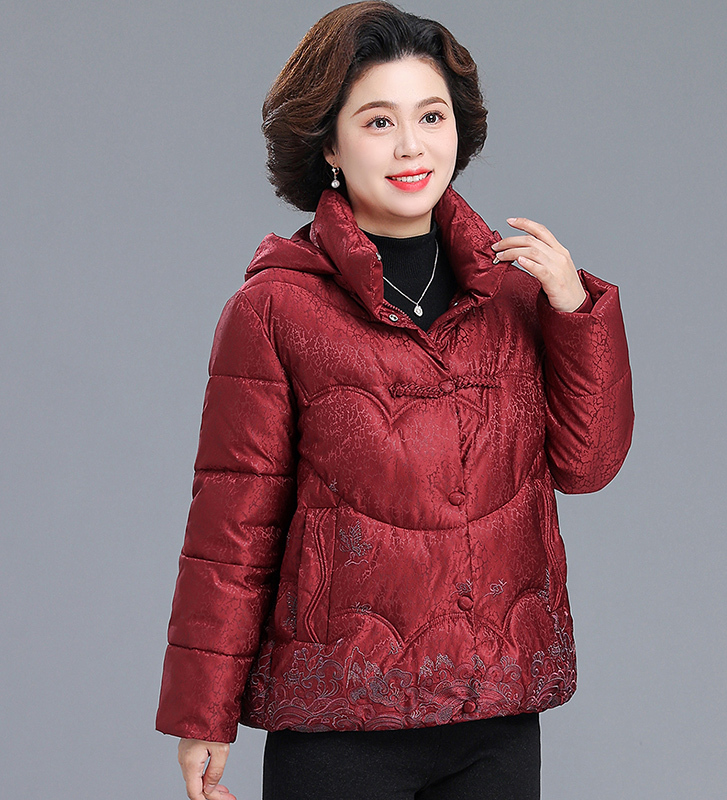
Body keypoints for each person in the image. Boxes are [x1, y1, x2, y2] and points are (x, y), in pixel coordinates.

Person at [156, 2, 634, 798]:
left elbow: (589, 466)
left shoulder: (518, 294)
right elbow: (233, 528)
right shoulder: (273, 311)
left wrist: (575, 312)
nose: (412, 146)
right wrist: (203, 715)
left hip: (493, 715)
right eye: (378, 121)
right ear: (330, 145)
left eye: (431, 116)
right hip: (339, 723)